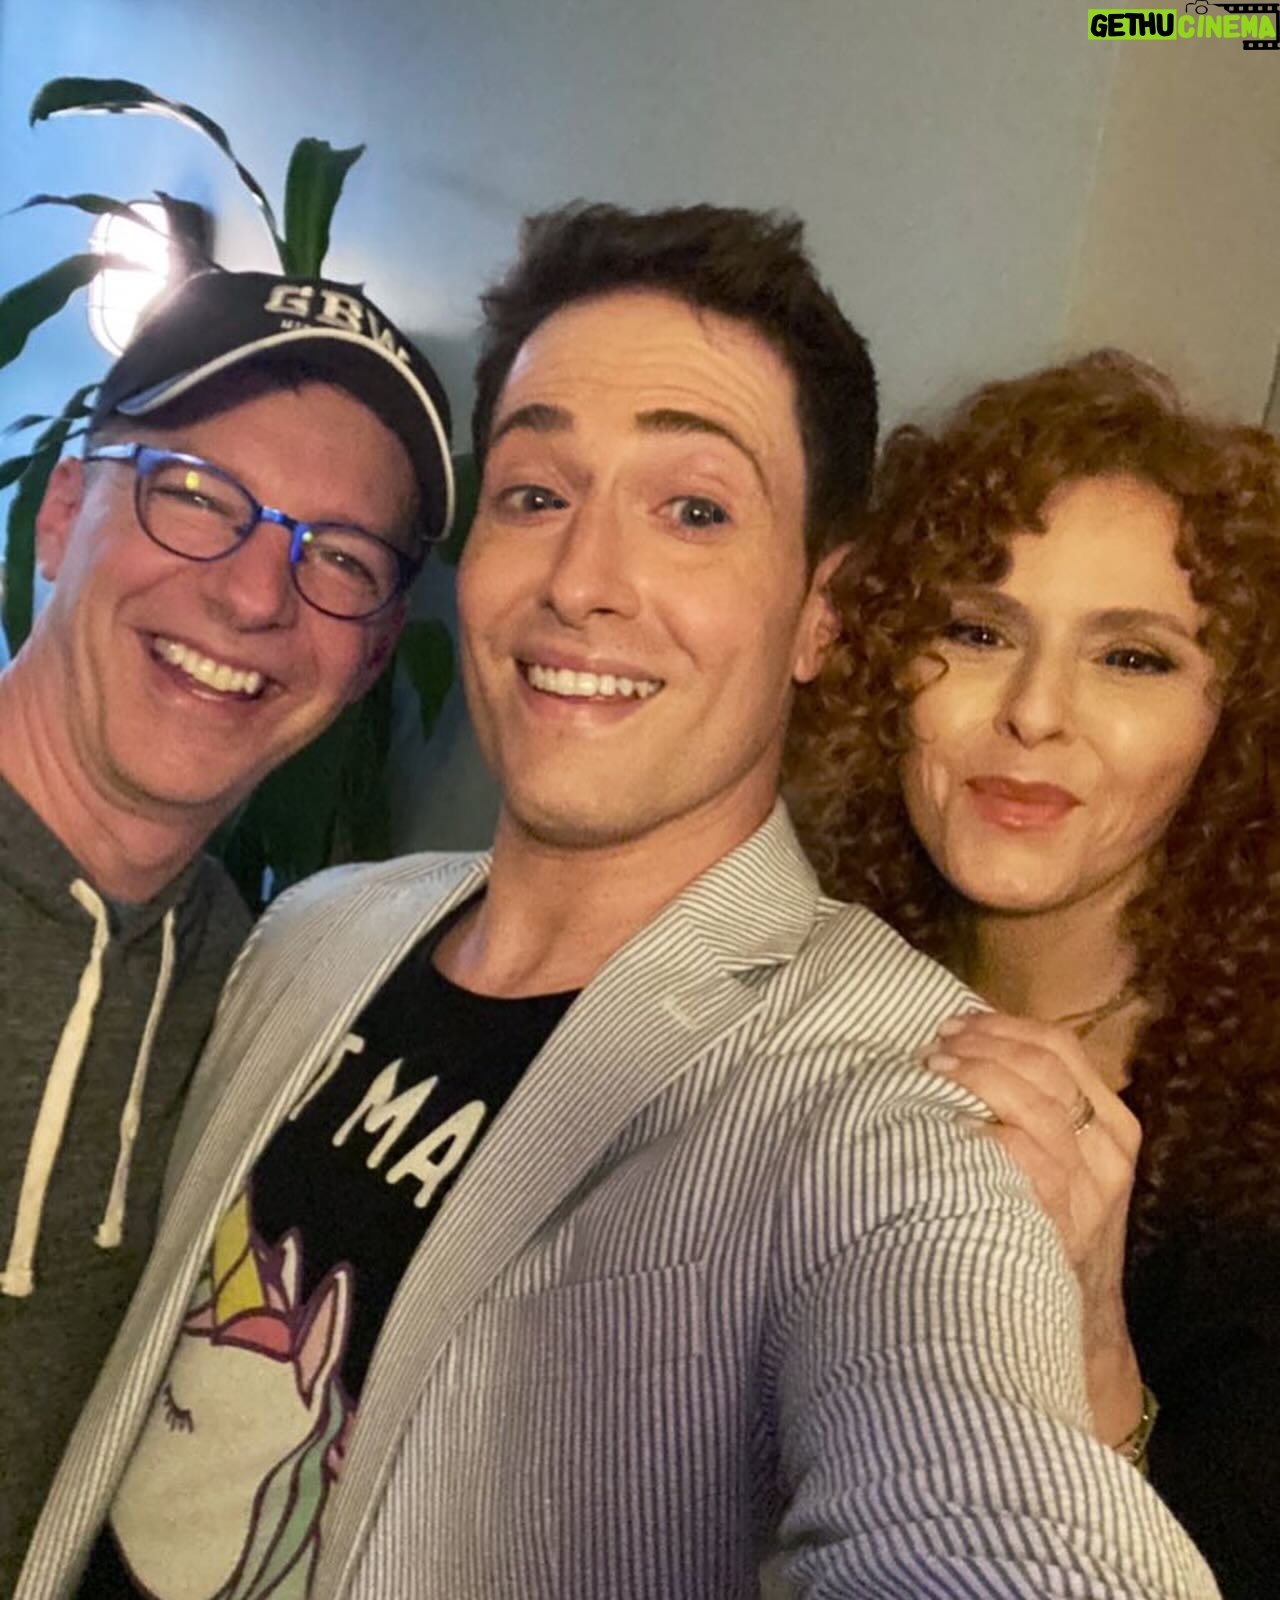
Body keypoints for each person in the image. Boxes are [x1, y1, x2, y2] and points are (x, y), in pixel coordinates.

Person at [25, 209, 1216, 1600]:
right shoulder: (309, 933)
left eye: (694, 510)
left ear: (823, 610)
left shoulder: (889, 1097)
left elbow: (982, 1495)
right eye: (535, 495)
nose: (583, 581)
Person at [786, 350, 1279, 1598]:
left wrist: (1092, 1345)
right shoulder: (792, 983)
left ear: (1232, 722)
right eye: (976, 631)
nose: (1034, 711)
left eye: (1132, 658)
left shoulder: (1253, 1171)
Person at [0, 266, 454, 1587]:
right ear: (64, 510)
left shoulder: (262, 996)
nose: (258, 595)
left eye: (341, 558)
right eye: (197, 494)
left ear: (373, 653)